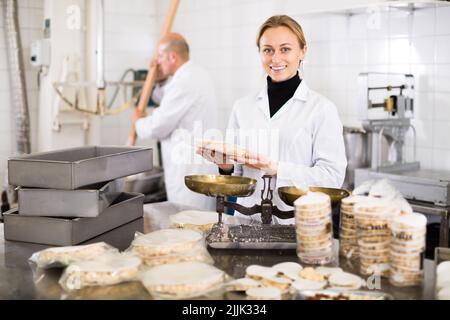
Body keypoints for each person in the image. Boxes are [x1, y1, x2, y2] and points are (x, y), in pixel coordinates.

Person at [198, 15, 347, 224]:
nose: (275, 59)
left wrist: (276, 168)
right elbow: (238, 177)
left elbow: (332, 178)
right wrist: (225, 166)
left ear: (303, 51)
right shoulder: (242, 107)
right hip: (247, 223)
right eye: (268, 50)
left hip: (299, 226)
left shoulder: (322, 109)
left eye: (285, 49)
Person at [133, 33, 218, 210]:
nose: (157, 62)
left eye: (160, 57)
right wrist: (161, 79)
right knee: (197, 224)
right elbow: (168, 100)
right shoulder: (194, 74)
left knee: (190, 225)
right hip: (195, 167)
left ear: (172, 57)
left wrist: (138, 121)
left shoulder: (185, 81)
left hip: (188, 172)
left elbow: (159, 126)